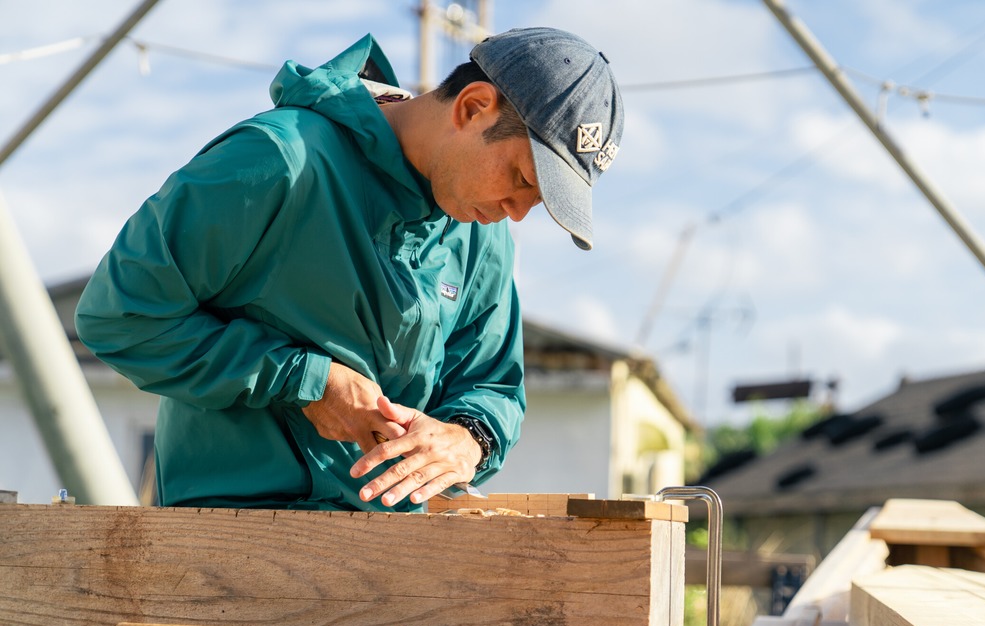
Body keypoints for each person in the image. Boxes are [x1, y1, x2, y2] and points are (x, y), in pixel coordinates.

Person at [76, 26, 625, 512]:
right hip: (224, 538)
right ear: (472, 107)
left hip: (390, 561)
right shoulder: (279, 161)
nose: (517, 213)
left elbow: (492, 387)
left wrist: (466, 438)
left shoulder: (482, 233)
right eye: (524, 180)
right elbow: (119, 316)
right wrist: (308, 381)